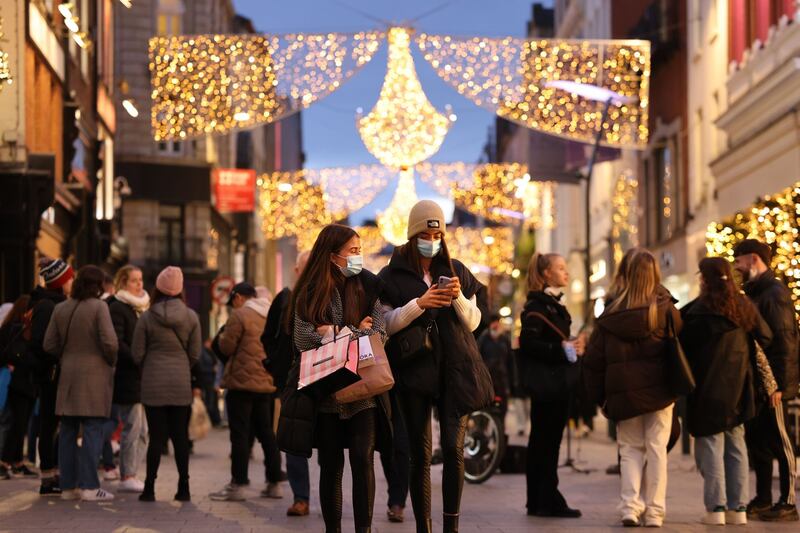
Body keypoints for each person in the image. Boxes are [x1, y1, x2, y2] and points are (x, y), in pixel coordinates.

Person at [378, 200, 493, 533]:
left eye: (439, 233)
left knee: (455, 451)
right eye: (427, 233)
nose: (433, 239)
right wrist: (420, 304)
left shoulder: (456, 269)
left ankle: (451, 527)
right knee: (420, 452)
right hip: (413, 372)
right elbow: (384, 323)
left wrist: (456, 296)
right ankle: (423, 526)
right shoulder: (392, 275)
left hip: (455, 370)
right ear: (414, 235)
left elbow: (474, 322)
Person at [291, 224, 392, 533]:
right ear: (332, 256)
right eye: (353, 251)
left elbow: (379, 334)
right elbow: (302, 338)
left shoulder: (368, 286)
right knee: (331, 465)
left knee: (363, 460)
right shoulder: (310, 291)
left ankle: (364, 529)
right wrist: (350, 332)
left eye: (360, 250)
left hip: (363, 389)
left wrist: (335, 333)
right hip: (327, 390)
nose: (358, 257)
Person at [583, 248, 680, 528]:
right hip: (660, 393)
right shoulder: (665, 310)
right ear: (655, 275)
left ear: (626, 274)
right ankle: (655, 511)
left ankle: (629, 507)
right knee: (657, 450)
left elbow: (594, 359)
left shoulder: (612, 313)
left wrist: (598, 396)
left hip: (624, 392)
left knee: (629, 450)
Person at [680, 257, 779, 526]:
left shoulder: (695, 312)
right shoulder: (744, 307)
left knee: (711, 447)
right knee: (737, 445)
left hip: (706, 388)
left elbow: (682, 349)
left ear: (704, 279)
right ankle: (739, 509)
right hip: (739, 389)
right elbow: (767, 336)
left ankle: (716, 508)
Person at [732, 239, 798, 522]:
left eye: (740, 261)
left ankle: (788, 500)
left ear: (754, 259)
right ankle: (762, 497)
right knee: (758, 440)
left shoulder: (774, 294)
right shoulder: (755, 293)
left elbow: (784, 342)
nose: (737, 267)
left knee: (781, 441)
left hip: (774, 386)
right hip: (759, 383)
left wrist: (779, 386)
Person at [43, 265, 118, 502]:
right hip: (94, 377)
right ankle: (88, 486)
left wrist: (68, 356)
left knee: (67, 430)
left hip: (68, 376)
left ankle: (67, 487)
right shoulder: (99, 307)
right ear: (97, 285)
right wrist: (109, 361)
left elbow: (49, 345)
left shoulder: (61, 308)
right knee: (93, 429)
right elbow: (110, 343)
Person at [518, 253, 583, 518]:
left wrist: (571, 345)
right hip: (549, 385)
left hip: (553, 384)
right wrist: (562, 349)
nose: (566, 273)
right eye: (560, 268)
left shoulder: (550, 305)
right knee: (546, 442)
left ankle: (540, 499)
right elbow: (529, 343)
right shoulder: (539, 307)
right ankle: (546, 500)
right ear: (546, 274)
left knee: (544, 441)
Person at [132, 266, 201, 502]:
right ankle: (184, 488)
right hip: (180, 383)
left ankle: (149, 488)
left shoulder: (147, 317)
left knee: (157, 438)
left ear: (158, 288)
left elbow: (137, 353)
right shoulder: (191, 317)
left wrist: (149, 366)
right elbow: (195, 354)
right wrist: (181, 367)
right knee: (180, 437)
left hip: (153, 384)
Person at [210, 282, 283, 502]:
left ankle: (238, 484)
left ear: (240, 297)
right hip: (265, 383)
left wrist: (222, 338)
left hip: (241, 385)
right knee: (267, 434)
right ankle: (274, 483)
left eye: (234, 301)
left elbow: (226, 348)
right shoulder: (271, 314)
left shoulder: (240, 315)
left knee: (240, 435)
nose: (234, 305)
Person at [263, 251, 312, 517]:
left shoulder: (329, 299)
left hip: (323, 380)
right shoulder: (284, 299)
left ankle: (329, 494)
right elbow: (267, 337)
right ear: (296, 270)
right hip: (291, 381)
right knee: (294, 440)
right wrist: (276, 367)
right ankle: (301, 497)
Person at [29, 257, 75, 495]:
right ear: (60, 282)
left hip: (53, 373)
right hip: (49, 375)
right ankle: (47, 476)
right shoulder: (48, 306)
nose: (72, 281)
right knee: (48, 425)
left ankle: (54, 472)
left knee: (54, 424)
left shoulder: (56, 303)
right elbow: (41, 343)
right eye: (69, 278)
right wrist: (55, 358)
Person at [106, 265, 151, 493]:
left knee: (144, 431)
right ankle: (127, 475)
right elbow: (117, 342)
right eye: (134, 280)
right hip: (127, 376)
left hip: (142, 377)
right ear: (123, 282)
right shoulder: (118, 307)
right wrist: (137, 357)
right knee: (132, 428)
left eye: (141, 280)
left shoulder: (143, 308)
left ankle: (131, 471)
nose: (139, 284)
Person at [0, 295, 37, 479]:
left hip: (22, 381)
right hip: (18, 381)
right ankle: (6, 460)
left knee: (18, 422)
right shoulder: (16, 329)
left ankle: (16, 461)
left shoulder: (16, 328)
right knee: (16, 423)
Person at [478, 314, 512, 414]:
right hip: (487, 378)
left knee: (502, 409)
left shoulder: (505, 339)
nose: (495, 325)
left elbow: (510, 360)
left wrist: (513, 382)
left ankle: (500, 428)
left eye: (497, 321)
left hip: (502, 379)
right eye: (493, 322)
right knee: (486, 407)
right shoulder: (484, 338)